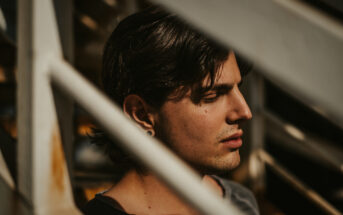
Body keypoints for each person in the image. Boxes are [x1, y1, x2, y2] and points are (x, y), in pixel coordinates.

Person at [84, 6, 259, 215]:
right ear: (141, 114)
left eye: (237, 87)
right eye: (211, 96)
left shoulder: (239, 200)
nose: (244, 112)